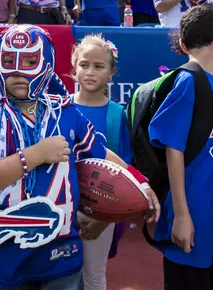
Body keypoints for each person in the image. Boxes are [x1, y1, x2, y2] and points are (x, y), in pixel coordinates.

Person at [0, 24, 158, 290]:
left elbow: (101, 154)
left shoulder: (66, 112)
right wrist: (36, 154)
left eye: (31, 60)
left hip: (60, 257)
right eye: (10, 61)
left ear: (47, 62)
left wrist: (140, 182)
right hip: (1, 258)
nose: (19, 70)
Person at [148, 6, 213, 290]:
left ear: (184, 44)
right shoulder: (189, 81)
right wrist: (182, 216)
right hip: (191, 218)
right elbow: (173, 149)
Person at [72, 35, 132, 290]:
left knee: (93, 275)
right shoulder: (59, 108)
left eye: (99, 67)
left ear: (111, 72)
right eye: (84, 64)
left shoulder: (117, 114)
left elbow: (123, 172)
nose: (90, 72)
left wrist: (103, 218)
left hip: (99, 213)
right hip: (61, 207)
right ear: (74, 66)